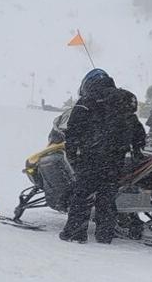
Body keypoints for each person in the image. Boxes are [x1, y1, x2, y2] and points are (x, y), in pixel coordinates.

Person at [60, 70, 143, 245]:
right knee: (107, 197)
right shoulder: (122, 100)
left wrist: (73, 154)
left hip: (91, 157)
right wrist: (136, 150)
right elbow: (137, 129)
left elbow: (73, 129)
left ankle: (75, 233)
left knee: (82, 195)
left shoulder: (86, 101)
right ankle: (105, 234)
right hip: (115, 159)